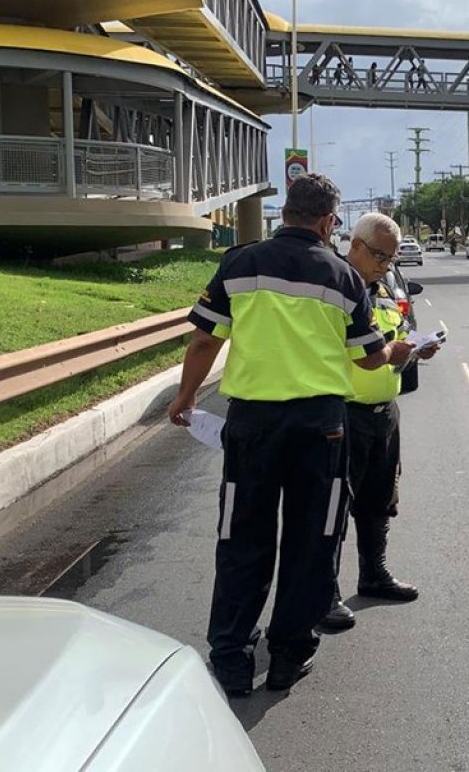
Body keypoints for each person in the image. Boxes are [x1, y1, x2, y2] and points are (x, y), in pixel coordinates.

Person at [168, 173, 413, 697]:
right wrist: (396, 353)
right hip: (321, 430)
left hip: (251, 426)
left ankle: (231, 656)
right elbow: (369, 356)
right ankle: (288, 655)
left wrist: (186, 397)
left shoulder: (240, 263)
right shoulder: (342, 278)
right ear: (328, 222)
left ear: (284, 214)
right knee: (312, 542)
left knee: (241, 538)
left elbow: (204, 343)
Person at [321, 214, 439, 632]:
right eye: (378, 255)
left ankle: (374, 574)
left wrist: (414, 350)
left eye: (390, 258)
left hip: (383, 410)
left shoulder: (387, 289)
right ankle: (325, 592)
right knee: (332, 506)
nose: (385, 265)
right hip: (342, 412)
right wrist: (394, 350)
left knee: (379, 500)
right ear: (353, 244)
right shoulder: (332, 287)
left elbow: (395, 335)